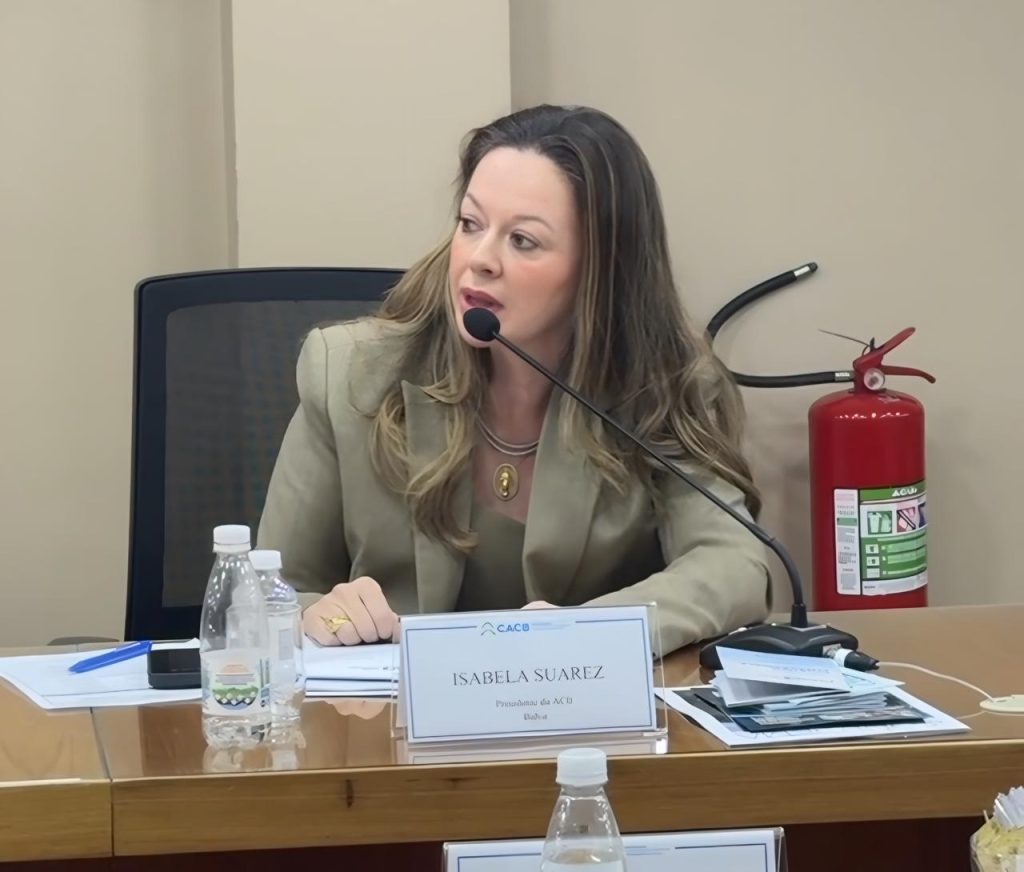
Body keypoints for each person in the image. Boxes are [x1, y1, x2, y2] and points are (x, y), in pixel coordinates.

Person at [257, 104, 771, 654]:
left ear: (600, 268)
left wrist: (585, 632)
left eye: (522, 240)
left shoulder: (660, 386)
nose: (479, 259)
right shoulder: (351, 374)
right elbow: (271, 593)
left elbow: (732, 565)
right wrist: (322, 614)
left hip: (578, 704)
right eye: (470, 224)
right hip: (390, 705)